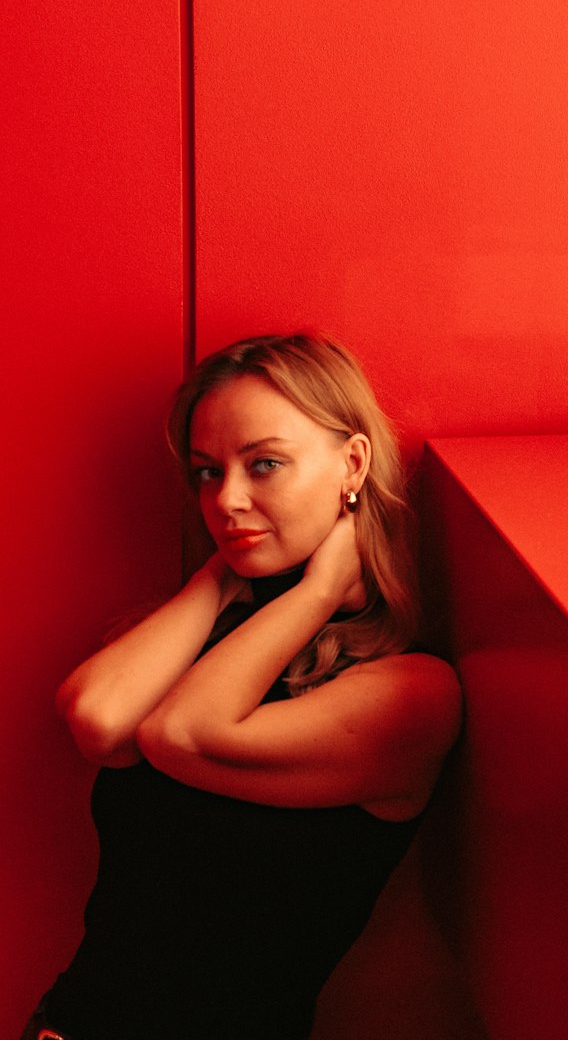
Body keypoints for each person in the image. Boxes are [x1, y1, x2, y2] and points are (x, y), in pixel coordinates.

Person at [24, 333, 462, 1040]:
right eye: (206, 473)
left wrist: (318, 590)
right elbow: (98, 717)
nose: (227, 499)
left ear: (353, 463)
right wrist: (224, 571)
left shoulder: (413, 693)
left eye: (264, 465)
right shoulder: (215, 637)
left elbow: (182, 735)